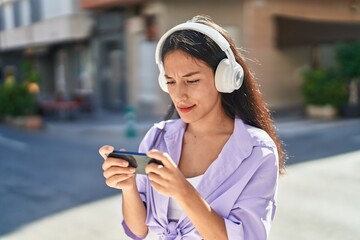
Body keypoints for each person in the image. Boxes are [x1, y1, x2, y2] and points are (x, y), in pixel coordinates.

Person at [99, 15, 286, 240]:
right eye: (170, 82)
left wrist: (183, 192)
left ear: (224, 77)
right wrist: (128, 186)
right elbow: (139, 230)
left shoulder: (257, 150)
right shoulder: (158, 138)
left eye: (192, 80)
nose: (179, 95)